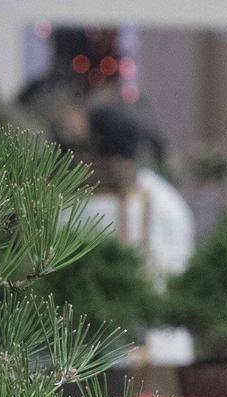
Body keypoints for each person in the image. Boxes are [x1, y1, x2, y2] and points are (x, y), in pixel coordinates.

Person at [79, 102, 196, 367]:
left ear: (93, 143)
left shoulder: (77, 205)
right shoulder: (169, 201)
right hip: (165, 350)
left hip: (98, 356)